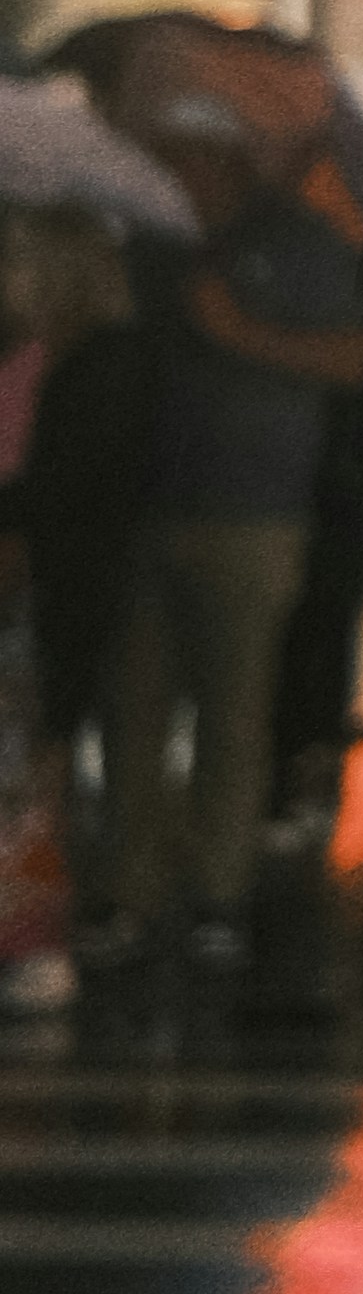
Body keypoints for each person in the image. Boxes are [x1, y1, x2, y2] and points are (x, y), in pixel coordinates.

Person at [102, 130, 363, 966]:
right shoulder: (149, 244)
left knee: (235, 711)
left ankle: (219, 893)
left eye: (200, 154)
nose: (186, 170)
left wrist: (239, 331)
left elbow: (352, 358)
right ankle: (129, 889)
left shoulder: (302, 244)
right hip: (149, 509)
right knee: (135, 711)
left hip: (255, 514)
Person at [0, 210, 152, 893]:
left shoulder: (98, 363)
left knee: (42, 744)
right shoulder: (38, 356)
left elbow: (64, 484)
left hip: (57, 577)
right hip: (46, 570)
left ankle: (36, 909)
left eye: (26, 262)